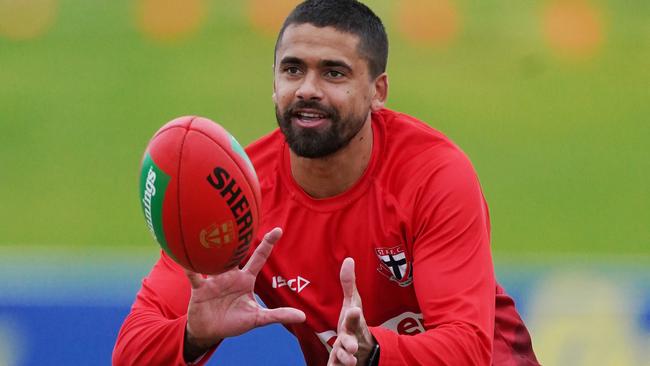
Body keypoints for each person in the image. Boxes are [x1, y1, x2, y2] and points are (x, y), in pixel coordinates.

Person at [113, 0, 540, 365]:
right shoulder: (238, 193)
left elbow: (467, 349)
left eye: (334, 73)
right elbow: (130, 351)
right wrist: (193, 335)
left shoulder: (434, 175)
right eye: (293, 70)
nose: (307, 90)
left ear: (378, 91)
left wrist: (373, 353)